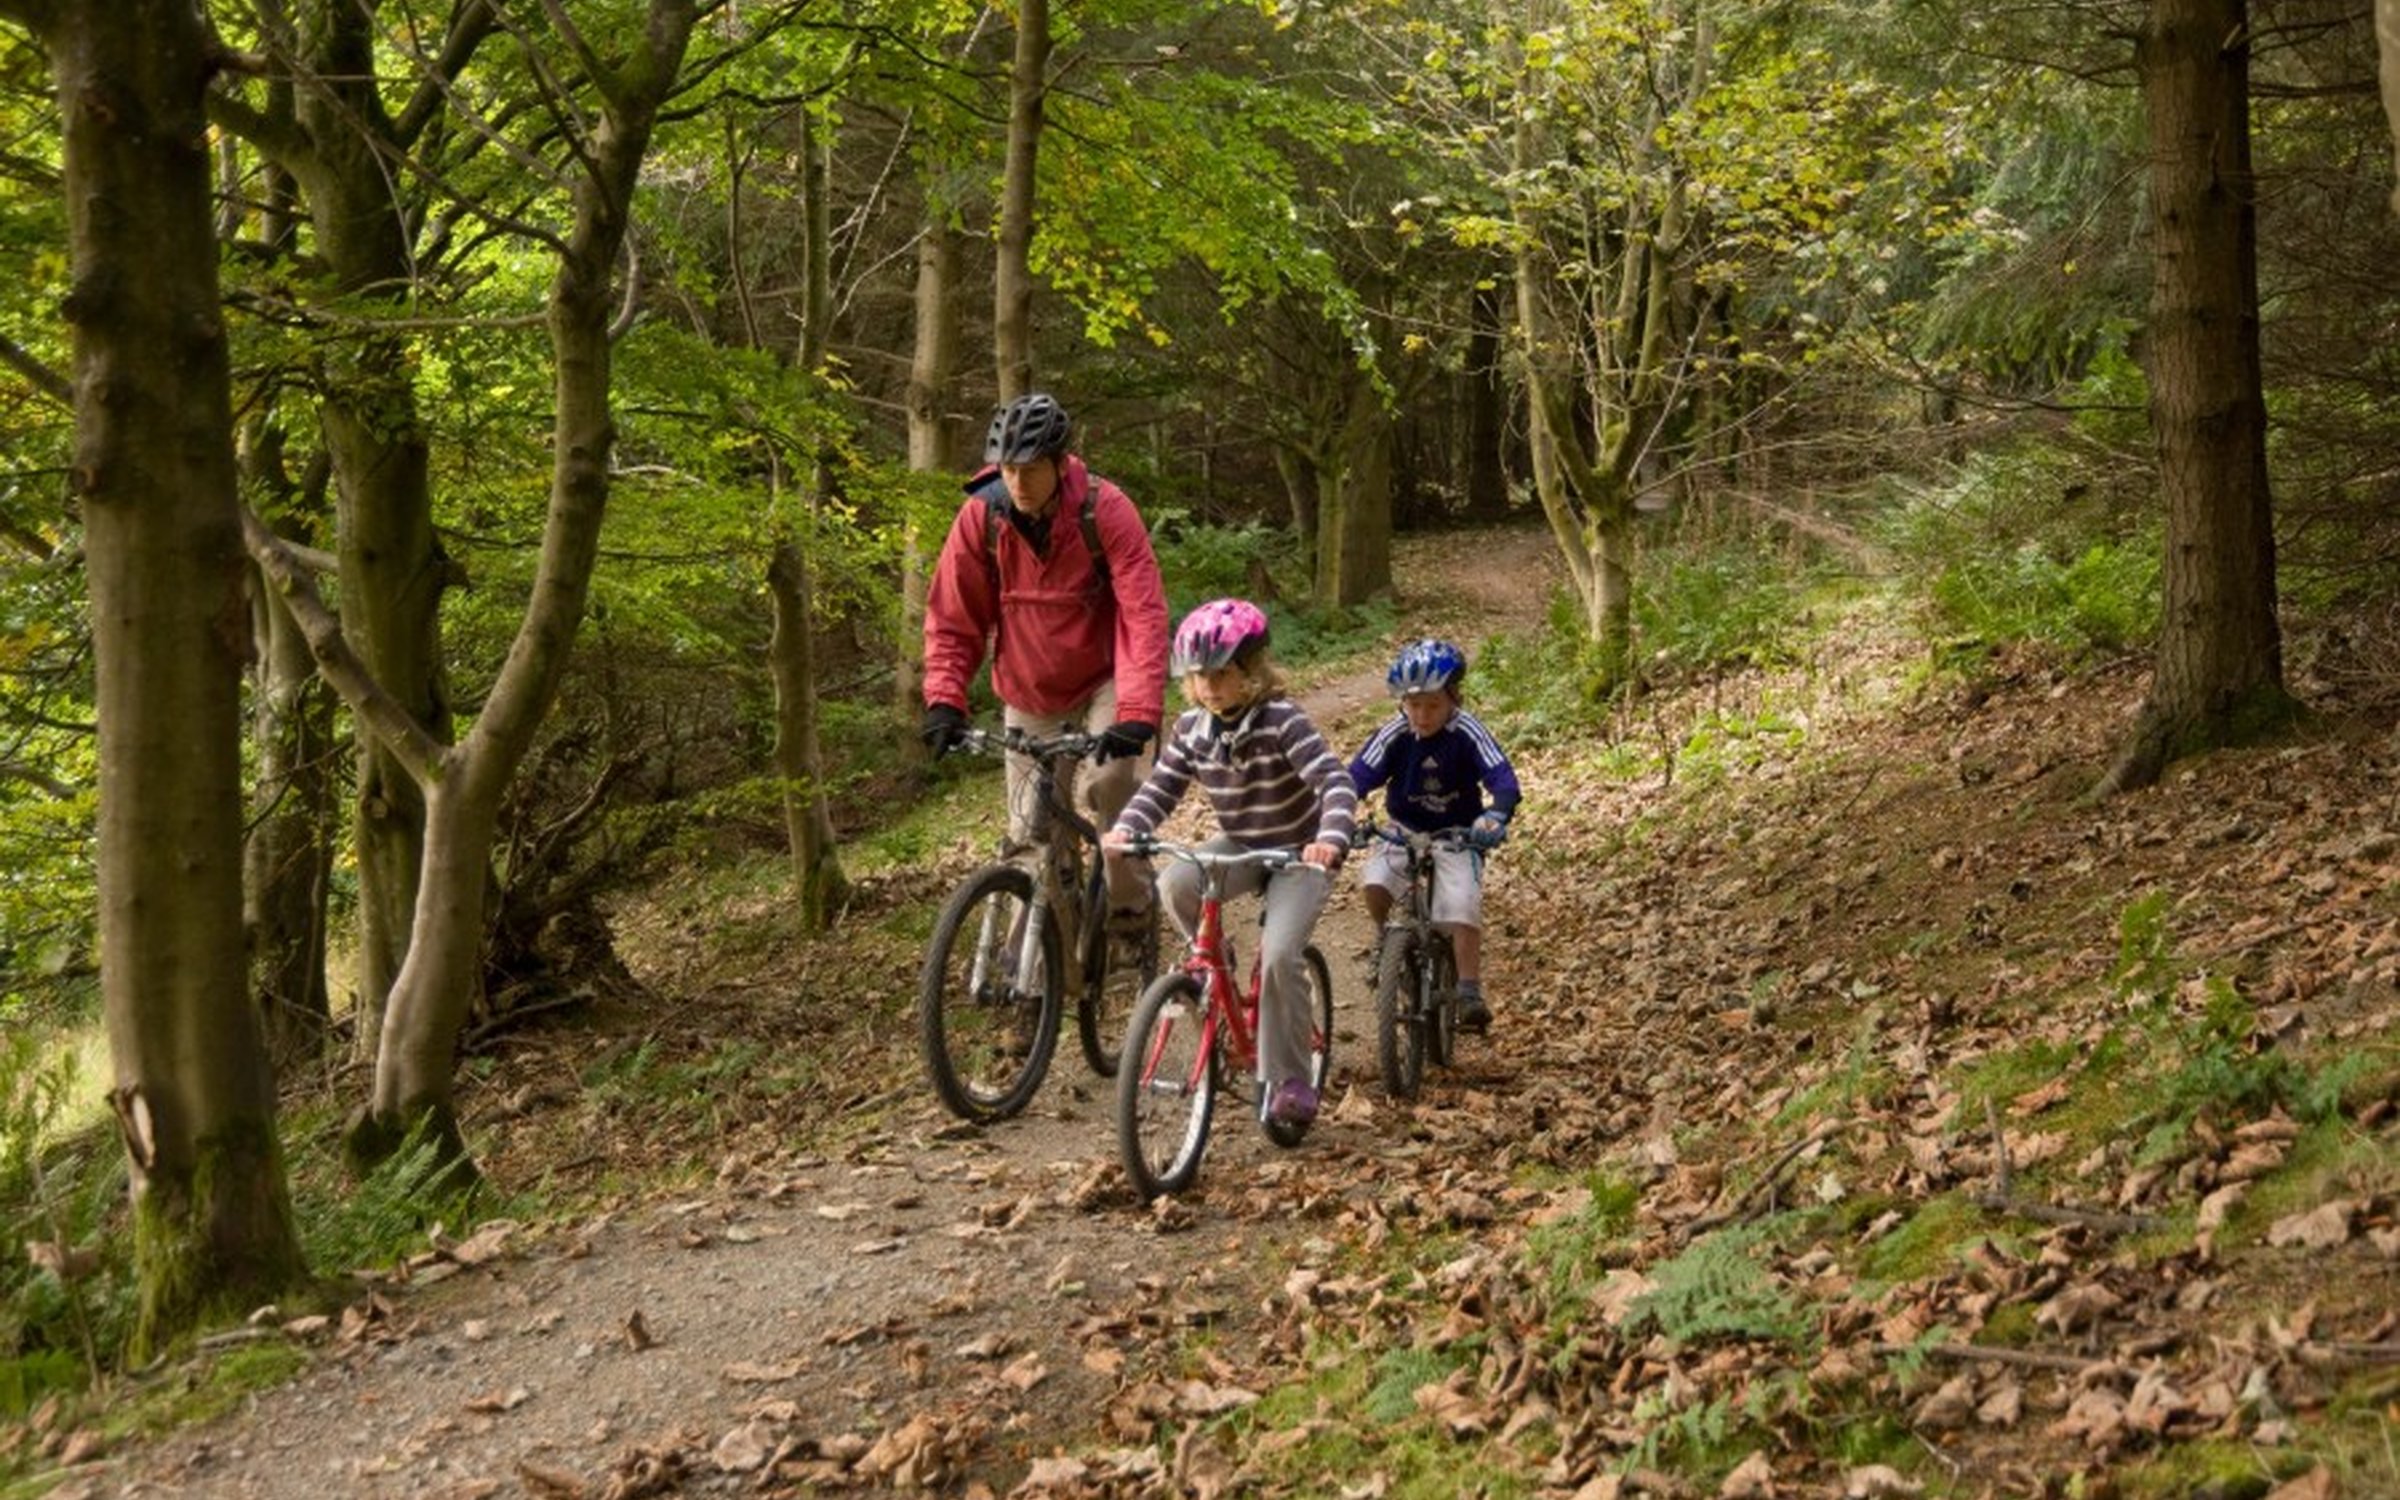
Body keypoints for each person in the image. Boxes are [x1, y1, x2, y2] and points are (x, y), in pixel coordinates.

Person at [921, 393, 1170, 932]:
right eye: (1009, 469)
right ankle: (1036, 966)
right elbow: (952, 617)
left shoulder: (1106, 511)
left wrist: (1138, 710)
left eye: (1031, 470)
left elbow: (1143, 614)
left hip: (1107, 679)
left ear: (1061, 464)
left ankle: (1130, 913)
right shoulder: (981, 517)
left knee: (1109, 787)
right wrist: (944, 699)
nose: (1018, 483)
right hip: (1029, 688)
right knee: (1028, 833)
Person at [1103, 599, 1357, 1128]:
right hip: (1240, 841)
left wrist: (1328, 839)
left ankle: (1290, 1077)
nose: (1211, 687)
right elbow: (1162, 787)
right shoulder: (1193, 729)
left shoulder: (1282, 720)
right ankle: (1215, 968)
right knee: (1176, 882)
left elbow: (1334, 782)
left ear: (1252, 672)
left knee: (1282, 954)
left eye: (1223, 674)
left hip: (1298, 852)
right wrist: (1130, 827)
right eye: (1200, 677)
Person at [1347, 638, 1521, 1033]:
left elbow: (1502, 778)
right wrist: (1337, 811)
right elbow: (1357, 776)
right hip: (1403, 829)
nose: (1422, 716)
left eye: (1433, 705)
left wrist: (1496, 814)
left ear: (1453, 699)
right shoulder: (1395, 732)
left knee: (1460, 904)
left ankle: (1468, 989)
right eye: (1413, 706)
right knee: (1374, 883)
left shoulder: (1467, 731)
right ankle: (1384, 941)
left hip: (1458, 832)